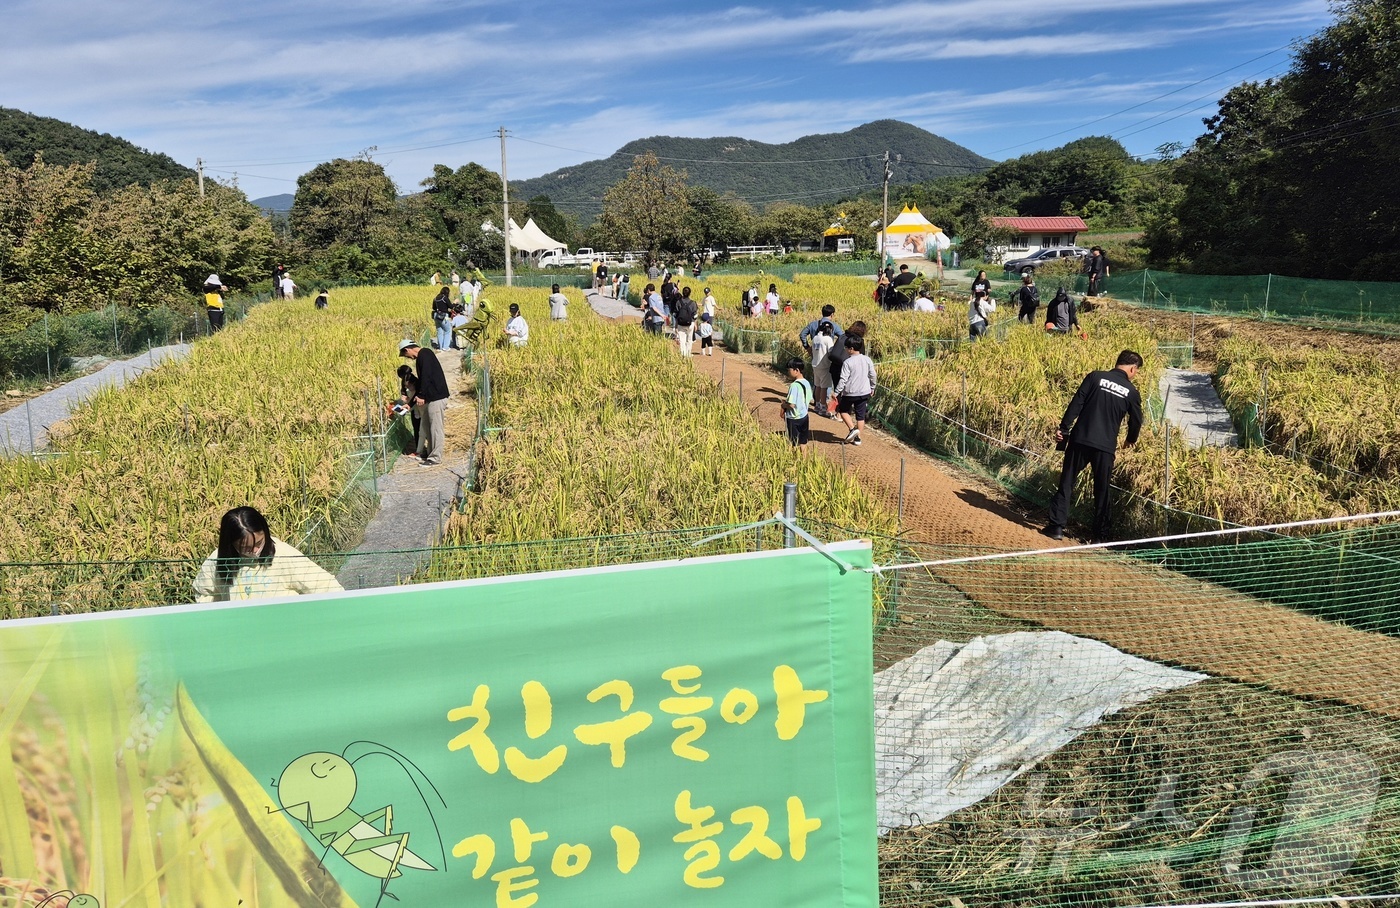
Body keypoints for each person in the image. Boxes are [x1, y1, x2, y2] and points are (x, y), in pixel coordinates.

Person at [1045, 350, 1144, 543]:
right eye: (1137, 371)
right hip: (1106, 447)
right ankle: (1099, 536)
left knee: (1067, 482)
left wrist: (1064, 429)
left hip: (1080, 439)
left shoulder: (1095, 377)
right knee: (1102, 489)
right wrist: (1131, 439)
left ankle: (1056, 527)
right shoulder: (1131, 392)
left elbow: (1076, 403)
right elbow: (1137, 420)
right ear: (1132, 368)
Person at [192, 506, 343, 602]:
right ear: (230, 544)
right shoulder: (216, 560)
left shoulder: (284, 554)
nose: (255, 551)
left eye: (258, 543)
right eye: (246, 548)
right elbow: (203, 594)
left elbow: (326, 586)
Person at [398, 340, 448, 466]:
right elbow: (421, 382)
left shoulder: (424, 355)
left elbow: (426, 376)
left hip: (436, 397)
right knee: (427, 426)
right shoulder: (423, 356)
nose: (408, 358)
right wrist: (410, 404)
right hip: (430, 398)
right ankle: (430, 452)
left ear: (407, 350)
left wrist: (421, 395)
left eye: (405, 355)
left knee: (435, 428)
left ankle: (435, 458)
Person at [833, 334, 875, 446]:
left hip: (850, 392)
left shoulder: (847, 362)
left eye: (846, 348)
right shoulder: (867, 359)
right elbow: (873, 375)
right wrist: (872, 387)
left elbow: (843, 379)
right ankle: (858, 438)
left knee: (842, 410)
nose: (845, 350)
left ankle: (852, 429)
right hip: (864, 392)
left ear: (851, 349)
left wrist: (836, 392)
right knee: (860, 416)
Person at [782, 358, 813, 455]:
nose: (788, 372)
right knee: (803, 441)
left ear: (796, 370)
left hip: (793, 418)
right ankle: (804, 461)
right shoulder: (806, 383)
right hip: (804, 416)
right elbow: (810, 399)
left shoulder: (794, 386)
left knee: (793, 442)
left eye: (789, 370)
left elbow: (791, 405)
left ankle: (794, 461)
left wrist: (783, 405)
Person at [810, 319, 837, 414]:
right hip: (825, 365)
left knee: (817, 385)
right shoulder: (828, 339)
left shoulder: (815, 338)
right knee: (824, 387)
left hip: (815, 364)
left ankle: (817, 405)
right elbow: (831, 352)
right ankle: (823, 407)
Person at [395, 364, 421, 453]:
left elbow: (416, 398)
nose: (407, 387)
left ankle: (421, 450)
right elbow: (405, 394)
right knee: (416, 429)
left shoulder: (417, 384)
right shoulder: (404, 383)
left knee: (422, 430)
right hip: (413, 410)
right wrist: (405, 400)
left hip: (420, 409)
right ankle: (418, 449)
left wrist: (409, 402)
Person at [674, 286, 698, 356]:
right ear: (690, 293)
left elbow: (675, 314)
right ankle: (688, 353)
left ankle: (683, 354)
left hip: (681, 323)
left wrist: (676, 325)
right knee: (689, 339)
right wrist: (695, 323)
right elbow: (695, 315)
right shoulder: (693, 303)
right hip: (691, 323)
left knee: (682, 339)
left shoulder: (679, 302)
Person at [431, 286, 454, 351]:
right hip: (444, 316)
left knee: (439, 331)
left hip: (436, 316)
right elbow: (451, 306)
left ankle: (440, 347)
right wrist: (454, 303)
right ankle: (445, 347)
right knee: (447, 331)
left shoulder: (435, 298)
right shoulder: (444, 298)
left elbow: (433, 308)